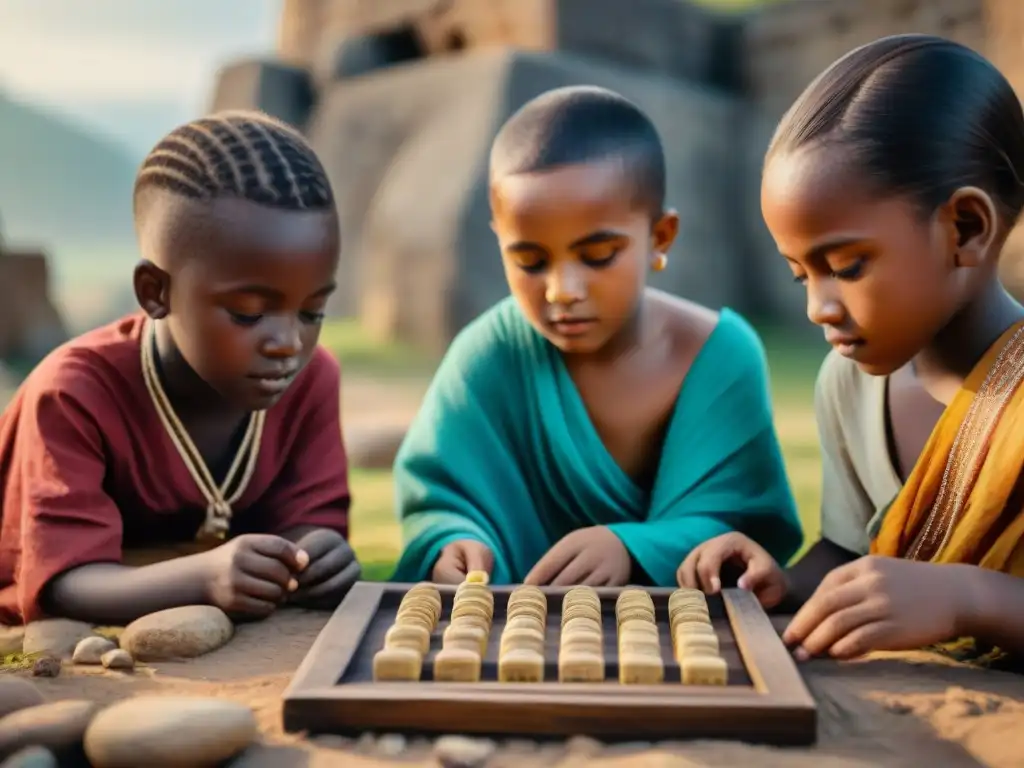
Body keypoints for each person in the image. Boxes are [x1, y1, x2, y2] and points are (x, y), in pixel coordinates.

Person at [679, 34, 1024, 664]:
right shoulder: (851, 382)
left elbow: (932, 591)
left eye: (847, 266)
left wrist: (966, 597)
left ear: (966, 229)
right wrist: (783, 582)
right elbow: (853, 553)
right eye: (800, 274)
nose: (818, 308)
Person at [391, 85, 803, 588]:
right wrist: (453, 542)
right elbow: (441, 500)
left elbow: (741, 526)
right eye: (530, 261)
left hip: (682, 648)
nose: (563, 291)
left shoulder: (720, 355)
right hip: (510, 643)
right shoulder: (488, 354)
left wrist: (632, 548)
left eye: (598, 255)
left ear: (660, 237)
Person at [0, 110, 359, 626]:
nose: (288, 343)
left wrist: (316, 551)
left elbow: (307, 524)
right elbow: (61, 582)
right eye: (249, 313)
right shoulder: (74, 393)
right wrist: (204, 578)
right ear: (156, 292)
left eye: (312, 311)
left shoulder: (311, 379)